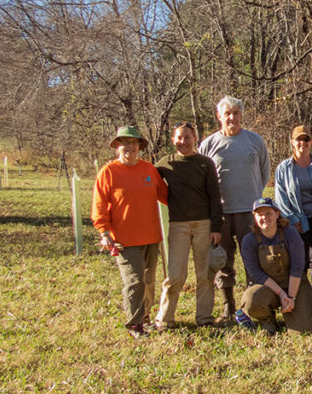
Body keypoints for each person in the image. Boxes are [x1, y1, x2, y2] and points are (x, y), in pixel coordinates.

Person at [198, 96, 272, 323]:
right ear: (219, 117)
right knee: (223, 261)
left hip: (249, 212)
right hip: (220, 213)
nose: (232, 118)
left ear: (241, 115)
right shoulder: (209, 144)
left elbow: (264, 173)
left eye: (236, 113)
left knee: (253, 259)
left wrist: (254, 198)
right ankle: (228, 307)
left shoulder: (255, 141)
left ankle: (252, 305)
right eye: (227, 114)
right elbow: (203, 178)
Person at [92, 126, 168, 338]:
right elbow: (99, 205)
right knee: (135, 282)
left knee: (149, 281)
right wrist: (104, 231)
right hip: (124, 240)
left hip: (151, 237)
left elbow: (165, 195)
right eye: (125, 143)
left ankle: (145, 318)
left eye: (134, 143)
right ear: (117, 146)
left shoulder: (149, 170)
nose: (130, 147)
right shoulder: (108, 172)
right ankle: (134, 324)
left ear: (139, 147)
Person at [154, 122, 224, 329]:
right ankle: (165, 318)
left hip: (204, 224)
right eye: (179, 137)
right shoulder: (165, 164)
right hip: (178, 225)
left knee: (204, 274)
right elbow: (147, 181)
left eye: (187, 137)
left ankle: (204, 318)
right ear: (173, 139)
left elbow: (214, 196)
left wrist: (216, 228)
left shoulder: (205, 163)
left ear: (195, 139)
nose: (183, 141)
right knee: (175, 274)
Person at [237, 197, 312, 334]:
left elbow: (297, 267)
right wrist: (280, 293)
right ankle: (267, 319)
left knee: (304, 331)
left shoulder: (291, 234)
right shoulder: (249, 241)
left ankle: (292, 312)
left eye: (268, 213)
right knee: (250, 301)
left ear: (277, 214)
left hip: (294, 285)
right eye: (260, 214)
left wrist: (290, 297)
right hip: (267, 286)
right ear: (254, 217)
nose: (264, 217)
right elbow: (256, 274)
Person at [274, 124, 312, 298]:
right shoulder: (284, 168)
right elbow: (281, 198)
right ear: (292, 142)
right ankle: (299, 296)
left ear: (311, 142)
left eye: (306, 139)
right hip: (297, 222)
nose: (302, 143)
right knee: (300, 261)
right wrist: (292, 221)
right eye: (299, 139)